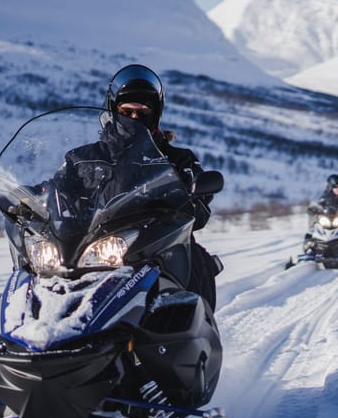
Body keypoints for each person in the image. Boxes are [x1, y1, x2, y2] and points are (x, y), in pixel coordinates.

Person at [55, 64, 222, 309]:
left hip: (154, 246)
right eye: (126, 111)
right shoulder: (81, 158)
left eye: (142, 112)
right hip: (91, 248)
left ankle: (197, 335)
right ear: (113, 110)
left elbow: (199, 210)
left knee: (198, 261)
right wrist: (26, 199)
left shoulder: (178, 158)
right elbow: (55, 190)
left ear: (154, 115)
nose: (133, 118)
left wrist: (193, 198)